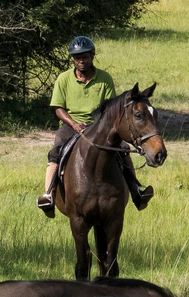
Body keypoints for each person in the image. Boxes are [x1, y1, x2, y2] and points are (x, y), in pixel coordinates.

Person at [38, 35, 153, 217]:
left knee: (123, 149)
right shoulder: (64, 78)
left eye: (84, 56)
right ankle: (49, 195)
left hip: (99, 125)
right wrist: (74, 124)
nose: (81, 61)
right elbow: (58, 108)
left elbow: (111, 108)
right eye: (77, 57)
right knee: (56, 151)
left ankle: (136, 189)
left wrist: (97, 125)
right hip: (71, 124)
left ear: (92, 56)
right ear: (73, 59)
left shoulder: (104, 78)